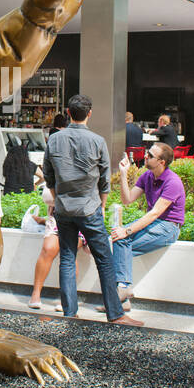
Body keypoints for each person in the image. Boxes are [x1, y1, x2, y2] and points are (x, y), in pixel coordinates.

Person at [43, 94, 142, 326]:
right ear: (89, 114)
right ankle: (115, 314)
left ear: (68, 113)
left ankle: (70, 313)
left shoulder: (54, 140)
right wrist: (103, 205)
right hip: (89, 208)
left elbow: (48, 175)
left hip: (64, 208)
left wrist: (59, 201)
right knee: (104, 260)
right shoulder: (97, 141)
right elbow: (105, 180)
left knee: (67, 258)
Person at [108, 142, 187, 310]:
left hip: (169, 227)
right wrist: (123, 174)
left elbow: (154, 213)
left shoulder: (173, 182)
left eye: (150, 155)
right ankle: (123, 295)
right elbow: (127, 199)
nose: (145, 156)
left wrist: (127, 230)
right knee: (119, 239)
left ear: (161, 162)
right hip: (155, 223)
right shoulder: (147, 176)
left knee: (123, 239)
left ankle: (121, 293)